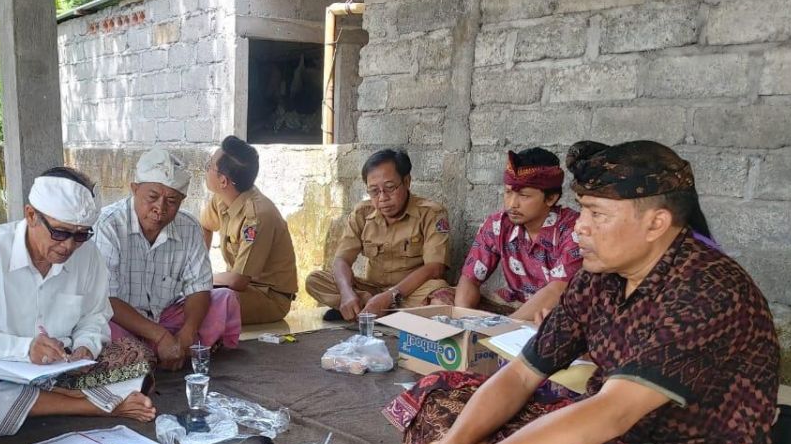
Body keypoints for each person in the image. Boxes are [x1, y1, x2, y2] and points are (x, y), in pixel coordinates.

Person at [383, 141, 779, 444]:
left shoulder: (706, 290)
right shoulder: (600, 276)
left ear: (656, 223)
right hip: (606, 430)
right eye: (583, 210)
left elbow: (612, 413)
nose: (579, 228)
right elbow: (522, 375)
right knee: (438, 391)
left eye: (597, 214)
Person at [0, 167, 156, 437]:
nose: (68, 246)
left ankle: (29, 404)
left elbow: (94, 317)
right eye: (61, 233)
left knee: (137, 356)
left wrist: (85, 347)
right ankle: (94, 405)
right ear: (31, 215)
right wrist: (25, 349)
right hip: (1, 368)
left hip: (65, 369)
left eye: (81, 235)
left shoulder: (88, 256)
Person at [95, 148, 241, 370]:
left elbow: (199, 288)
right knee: (98, 328)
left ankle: (165, 352)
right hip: (123, 322)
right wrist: (161, 337)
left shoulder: (189, 227)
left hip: (168, 317)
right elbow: (107, 300)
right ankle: (159, 352)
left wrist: (185, 335)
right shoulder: (108, 226)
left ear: (182, 200)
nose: (160, 208)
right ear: (134, 189)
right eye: (152, 197)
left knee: (224, 299)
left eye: (172, 201)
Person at [305, 148, 454, 322]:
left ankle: (369, 311)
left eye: (390, 188)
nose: (383, 197)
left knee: (440, 294)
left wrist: (390, 296)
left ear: (407, 182)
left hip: (410, 293)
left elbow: (435, 268)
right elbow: (341, 260)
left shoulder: (431, 213)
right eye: (374, 191)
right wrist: (346, 293)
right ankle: (368, 307)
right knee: (315, 280)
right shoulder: (362, 213)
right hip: (372, 290)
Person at [455, 147, 583, 321]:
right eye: (508, 192)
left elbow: (556, 290)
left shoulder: (573, 230)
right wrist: (463, 319)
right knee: (443, 298)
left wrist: (504, 329)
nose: (512, 204)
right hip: (515, 304)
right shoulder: (497, 225)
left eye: (524, 195)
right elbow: (470, 278)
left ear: (551, 198)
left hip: (554, 310)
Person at [199, 136, 299, 325]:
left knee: (199, 302)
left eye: (209, 165)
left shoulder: (257, 216)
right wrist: (197, 269)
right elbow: (205, 226)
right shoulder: (222, 199)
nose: (205, 169)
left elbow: (238, 281)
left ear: (223, 180)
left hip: (269, 297)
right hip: (237, 289)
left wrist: (200, 279)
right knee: (189, 296)